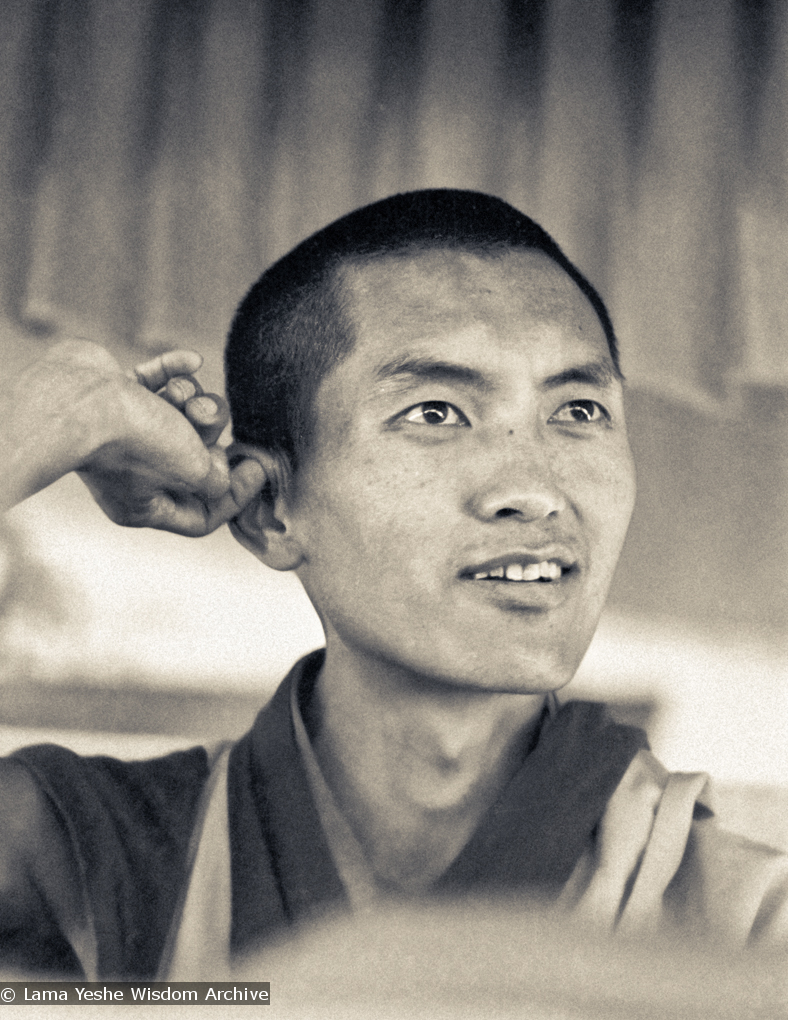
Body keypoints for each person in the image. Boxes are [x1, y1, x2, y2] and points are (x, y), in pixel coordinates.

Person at [1, 190, 786, 982]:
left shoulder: (744, 921)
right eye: (437, 412)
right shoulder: (87, 852)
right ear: (272, 510)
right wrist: (46, 416)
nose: (534, 487)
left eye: (579, 409)